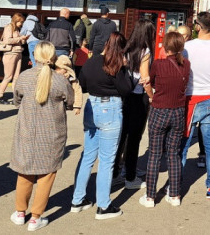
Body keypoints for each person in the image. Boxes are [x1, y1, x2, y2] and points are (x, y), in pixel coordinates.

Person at [9, 41, 74, 232]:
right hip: (52, 133)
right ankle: (36, 218)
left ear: (34, 56)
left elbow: (16, 100)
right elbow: (70, 102)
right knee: (47, 175)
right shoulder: (61, 80)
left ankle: (20, 213)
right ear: (53, 57)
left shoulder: (24, 77)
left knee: (25, 172)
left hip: (27, 131)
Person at [71, 32, 133, 219]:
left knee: (88, 155)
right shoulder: (116, 65)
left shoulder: (91, 62)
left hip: (92, 105)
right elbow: (126, 89)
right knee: (107, 159)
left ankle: (78, 199)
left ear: (106, 44)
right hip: (110, 108)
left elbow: (82, 82)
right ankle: (103, 205)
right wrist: (126, 70)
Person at [139, 31, 190, 208]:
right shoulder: (186, 65)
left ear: (166, 47)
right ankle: (175, 195)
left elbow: (149, 83)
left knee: (154, 154)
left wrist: (152, 94)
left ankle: (150, 197)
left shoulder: (158, 64)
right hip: (178, 112)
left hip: (159, 110)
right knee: (173, 154)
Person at [181, 12, 210, 199]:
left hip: (190, 97)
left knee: (182, 145)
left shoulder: (186, 47)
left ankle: (175, 184)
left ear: (198, 26)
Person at [115, 19, 155, 190]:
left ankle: (115, 171)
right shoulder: (145, 51)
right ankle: (130, 174)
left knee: (121, 136)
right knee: (134, 137)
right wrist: (152, 96)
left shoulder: (126, 49)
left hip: (124, 96)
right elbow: (145, 77)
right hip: (139, 97)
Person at [0, 13, 28, 103]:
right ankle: (0, 96)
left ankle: (15, 97)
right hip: (10, 53)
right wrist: (19, 38)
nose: (21, 24)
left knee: (16, 77)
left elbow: (18, 41)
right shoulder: (9, 27)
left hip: (18, 52)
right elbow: (7, 40)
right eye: (20, 22)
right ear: (16, 20)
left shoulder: (17, 29)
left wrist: (23, 39)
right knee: (8, 76)